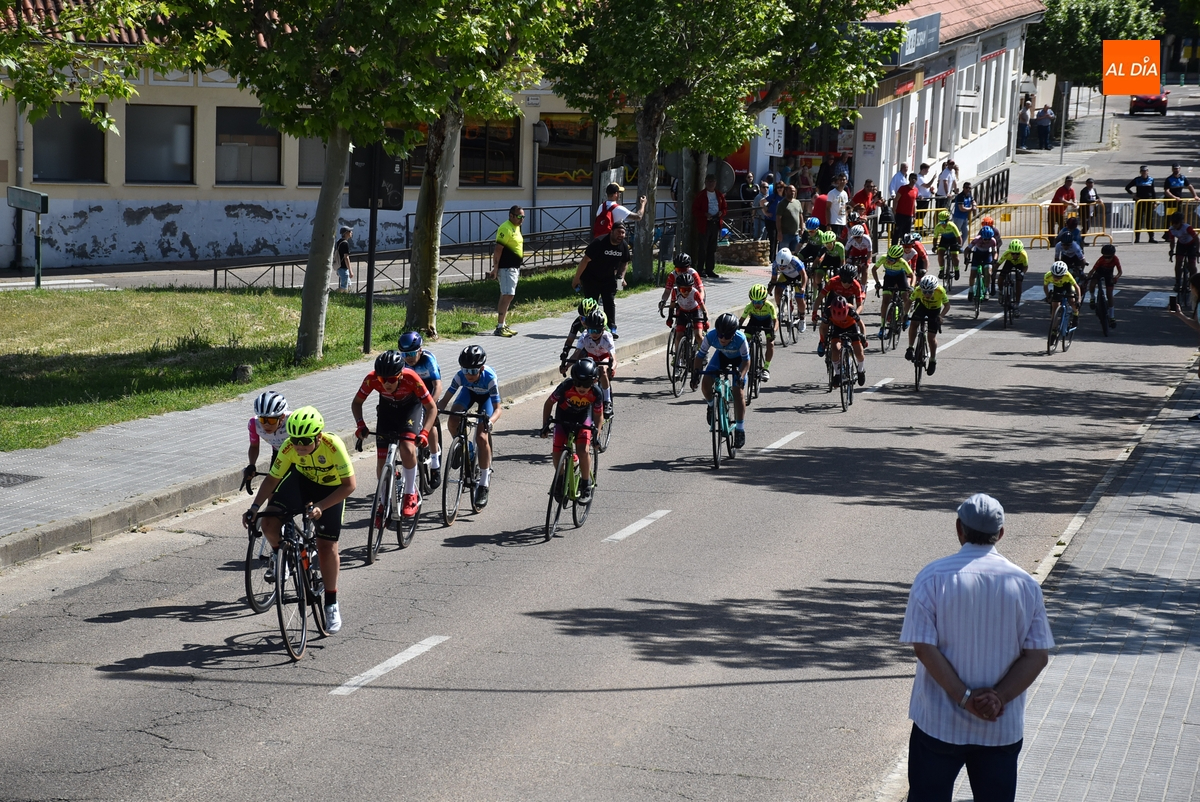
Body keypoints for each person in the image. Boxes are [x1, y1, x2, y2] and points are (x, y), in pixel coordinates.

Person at [900, 493, 1053, 802]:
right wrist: (998, 698)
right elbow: (1037, 656)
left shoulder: (932, 578)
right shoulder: (1025, 584)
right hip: (999, 728)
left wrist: (965, 698)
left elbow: (924, 648)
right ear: (1001, 533)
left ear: (959, 528)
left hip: (939, 725)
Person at [243, 406, 356, 634]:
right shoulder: (289, 447)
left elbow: (349, 485)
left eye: (304, 441)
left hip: (331, 488)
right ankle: (282, 555)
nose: (299, 446)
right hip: (301, 482)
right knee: (268, 522)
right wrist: (254, 507)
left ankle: (331, 603)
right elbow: (272, 480)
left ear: (318, 436)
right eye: (295, 440)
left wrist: (322, 506)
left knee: (326, 547)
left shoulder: (333, 446)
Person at [352, 350, 437, 519]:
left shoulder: (411, 378)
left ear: (400, 375)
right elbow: (356, 403)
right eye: (382, 380)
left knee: (407, 448)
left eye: (391, 379)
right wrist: (360, 424)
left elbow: (432, 408)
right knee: (381, 461)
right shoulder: (371, 379)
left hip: (410, 410)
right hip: (387, 411)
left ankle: (410, 494)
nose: (386, 384)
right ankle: (383, 502)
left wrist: (425, 432)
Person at [440, 345, 503, 509]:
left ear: (481, 368)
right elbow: (445, 400)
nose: (469, 375)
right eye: (465, 370)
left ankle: (483, 483)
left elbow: (498, 409)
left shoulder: (490, 378)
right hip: (468, 393)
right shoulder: (460, 376)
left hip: (486, 399)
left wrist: (490, 422)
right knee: (453, 419)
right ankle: (466, 448)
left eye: (473, 371)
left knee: (481, 437)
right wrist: (435, 411)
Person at [540, 357, 605, 504]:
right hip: (563, 416)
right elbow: (549, 403)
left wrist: (597, 434)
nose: (581, 387)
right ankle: (560, 478)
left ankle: (586, 484)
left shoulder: (596, 392)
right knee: (556, 451)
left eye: (586, 384)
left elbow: (598, 415)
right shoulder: (566, 386)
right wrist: (545, 425)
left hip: (583, 418)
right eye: (577, 383)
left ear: (594, 381)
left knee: (583, 450)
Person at [691, 312, 750, 449]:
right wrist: (695, 375)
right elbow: (700, 357)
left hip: (739, 361)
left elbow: (747, 362)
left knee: (738, 392)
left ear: (733, 334)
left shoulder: (741, 339)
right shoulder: (711, 336)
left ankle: (740, 429)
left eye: (727, 336)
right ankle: (711, 405)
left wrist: (741, 377)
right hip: (721, 357)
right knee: (706, 383)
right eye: (720, 335)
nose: (723, 339)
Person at [398, 331, 443, 488]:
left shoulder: (428, 360)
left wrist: (431, 405)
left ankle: (435, 464)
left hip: (429, 391)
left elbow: (438, 386)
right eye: (405, 354)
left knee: (429, 421)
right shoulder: (401, 363)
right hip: (413, 393)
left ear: (420, 350)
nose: (409, 358)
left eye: (412, 353)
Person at [573, 220, 632, 338]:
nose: (621, 235)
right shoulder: (599, 242)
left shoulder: (623, 246)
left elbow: (624, 262)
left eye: (623, 233)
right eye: (618, 232)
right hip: (591, 278)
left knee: (609, 302)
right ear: (611, 231)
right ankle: (588, 327)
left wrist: (621, 276)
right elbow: (585, 260)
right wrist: (577, 278)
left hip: (608, 279)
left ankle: (611, 328)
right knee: (591, 304)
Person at [563, 309, 617, 416]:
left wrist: (612, 368)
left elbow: (614, 359)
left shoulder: (607, 337)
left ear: (603, 329)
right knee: (581, 370)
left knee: (602, 370)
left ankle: (607, 401)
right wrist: (567, 366)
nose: (594, 334)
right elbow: (576, 354)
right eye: (591, 330)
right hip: (591, 357)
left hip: (604, 357)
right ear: (587, 329)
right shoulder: (584, 336)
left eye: (597, 331)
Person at [814, 265, 866, 357]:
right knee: (825, 322)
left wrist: (855, 314)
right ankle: (822, 341)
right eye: (844, 280)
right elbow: (820, 297)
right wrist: (814, 313)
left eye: (849, 281)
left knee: (849, 322)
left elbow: (860, 305)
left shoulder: (856, 285)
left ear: (853, 279)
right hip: (832, 301)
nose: (846, 284)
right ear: (840, 278)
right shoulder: (833, 281)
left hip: (847, 303)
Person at [490, 205, 524, 337]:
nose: (521, 219)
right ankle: (499, 327)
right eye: (519, 216)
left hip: (514, 267)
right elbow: (498, 249)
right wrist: (495, 268)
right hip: (506, 267)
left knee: (507, 295)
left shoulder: (516, 227)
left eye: (523, 217)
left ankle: (503, 324)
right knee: (507, 295)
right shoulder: (506, 228)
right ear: (511, 215)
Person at [244, 390, 290, 488]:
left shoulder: (292, 421)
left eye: (271, 420)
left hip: (299, 454)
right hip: (279, 453)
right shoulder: (254, 424)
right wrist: (251, 465)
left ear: (282, 417)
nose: (266, 424)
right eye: (262, 419)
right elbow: (254, 446)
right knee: (272, 488)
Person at [906, 275, 950, 375]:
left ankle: (933, 360)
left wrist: (941, 316)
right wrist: (905, 314)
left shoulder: (940, 291)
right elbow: (909, 302)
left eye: (930, 292)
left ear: (934, 289)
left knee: (931, 338)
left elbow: (947, 306)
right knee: (913, 323)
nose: (927, 294)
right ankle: (910, 347)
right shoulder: (918, 290)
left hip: (935, 311)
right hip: (923, 307)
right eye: (924, 292)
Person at [873, 243, 914, 337]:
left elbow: (912, 275)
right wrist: (877, 282)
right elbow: (873, 269)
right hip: (889, 278)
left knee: (905, 298)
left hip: (900, 278)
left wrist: (911, 286)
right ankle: (882, 326)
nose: (888, 260)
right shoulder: (883, 258)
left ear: (898, 259)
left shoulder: (902, 262)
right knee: (885, 302)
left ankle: (906, 315)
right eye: (888, 257)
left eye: (892, 259)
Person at [825, 294, 867, 387]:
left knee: (859, 352)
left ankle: (860, 370)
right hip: (837, 328)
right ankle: (838, 374)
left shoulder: (851, 310)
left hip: (851, 327)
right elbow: (823, 327)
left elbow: (861, 324)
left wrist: (863, 338)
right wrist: (823, 340)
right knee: (835, 350)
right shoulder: (828, 311)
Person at [692, 174, 727, 278]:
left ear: (715, 183)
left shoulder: (719, 195)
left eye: (712, 181)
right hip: (705, 224)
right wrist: (704, 214)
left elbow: (725, 208)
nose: (710, 183)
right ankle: (700, 269)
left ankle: (710, 270)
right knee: (703, 248)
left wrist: (721, 213)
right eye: (708, 181)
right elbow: (694, 210)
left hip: (715, 223)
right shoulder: (701, 195)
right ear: (705, 182)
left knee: (712, 248)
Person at [740, 284, 778, 381]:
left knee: (771, 343)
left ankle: (766, 369)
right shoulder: (749, 306)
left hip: (767, 322)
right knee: (744, 341)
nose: (757, 304)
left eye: (760, 302)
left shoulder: (770, 306)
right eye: (754, 301)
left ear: (764, 300)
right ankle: (744, 361)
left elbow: (775, 321)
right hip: (754, 321)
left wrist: (774, 331)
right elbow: (741, 321)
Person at [665, 270, 709, 353]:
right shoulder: (675, 291)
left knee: (698, 336)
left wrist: (705, 319)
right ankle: (677, 356)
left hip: (695, 311)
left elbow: (702, 307)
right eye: (683, 289)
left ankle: (704, 353)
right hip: (683, 311)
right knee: (678, 336)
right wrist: (670, 317)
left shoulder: (695, 292)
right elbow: (672, 305)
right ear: (678, 288)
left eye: (689, 289)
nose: (686, 292)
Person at [770, 247, 808, 334]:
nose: (782, 267)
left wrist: (803, 287)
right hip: (786, 276)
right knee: (777, 290)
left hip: (799, 277)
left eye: (784, 266)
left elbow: (804, 275)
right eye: (780, 266)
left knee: (799, 299)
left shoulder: (795, 261)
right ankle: (781, 310)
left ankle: (802, 319)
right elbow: (774, 279)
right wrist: (770, 289)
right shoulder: (775, 263)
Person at [1087, 243, 1122, 328]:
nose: (1106, 259)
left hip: (1108, 274)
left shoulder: (1116, 259)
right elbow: (1092, 270)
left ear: (1113, 255)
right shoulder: (1101, 260)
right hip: (1099, 272)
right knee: (1092, 284)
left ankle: (1112, 317)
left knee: (1109, 295)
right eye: (1105, 257)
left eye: (1109, 257)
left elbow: (1120, 272)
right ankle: (1092, 298)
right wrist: (1087, 278)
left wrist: (1116, 278)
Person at [994, 240, 1030, 315]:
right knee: (1000, 279)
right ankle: (1001, 291)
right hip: (1009, 262)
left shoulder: (1024, 255)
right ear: (1010, 252)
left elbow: (1025, 267)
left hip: (1020, 264)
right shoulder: (1007, 253)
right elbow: (998, 264)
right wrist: (994, 271)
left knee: (1019, 282)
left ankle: (1017, 304)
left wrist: (1022, 273)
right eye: (1013, 253)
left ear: (1020, 252)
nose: (1015, 255)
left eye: (1017, 254)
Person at [1125, 165, 1158, 243]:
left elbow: (1153, 192)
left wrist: (1155, 202)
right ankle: (1137, 238)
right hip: (1140, 201)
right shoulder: (1137, 180)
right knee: (1139, 220)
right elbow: (1127, 187)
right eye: (1143, 171)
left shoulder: (1151, 179)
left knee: (1149, 220)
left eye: (1145, 171)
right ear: (1140, 172)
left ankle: (1151, 238)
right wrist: (1133, 195)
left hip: (1148, 202)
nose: (1144, 172)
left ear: (1147, 171)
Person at [1044, 260, 1081, 329]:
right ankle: (1054, 329)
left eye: (1059, 277)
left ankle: (1076, 314)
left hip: (1067, 285)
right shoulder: (1047, 276)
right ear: (1052, 273)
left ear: (1064, 274)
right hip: (1057, 287)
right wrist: (1048, 296)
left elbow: (1077, 287)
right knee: (1054, 306)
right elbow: (1045, 287)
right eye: (1054, 276)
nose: (1056, 278)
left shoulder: (1068, 275)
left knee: (1072, 301)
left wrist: (1078, 300)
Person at [931, 211, 962, 281]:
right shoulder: (938, 226)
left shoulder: (952, 225)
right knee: (940, 254)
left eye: (944, 222)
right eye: (941, 222)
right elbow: (935, 238)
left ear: (948, 220)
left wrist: (959, 246)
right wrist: (934, 246)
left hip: (953, 239)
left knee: (955, 256)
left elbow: (958, 237)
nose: (943, 224)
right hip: (944, 239)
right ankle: (941, 270)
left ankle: (956, 270)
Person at [776, 183, 804, 254]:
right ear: (786, 192)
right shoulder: (782, 204)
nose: (792, 192)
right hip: (785, 235)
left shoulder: (797, 202)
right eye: (791, 191)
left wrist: (802, 228)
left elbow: (800, 216)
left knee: (795, 254)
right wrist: (779, 232)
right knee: (783, 254)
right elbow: (778, 219)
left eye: (794, 191)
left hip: (796, 234)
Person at [893, 173, 919, 244]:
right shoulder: (903, 188)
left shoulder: (916, 190)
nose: (913, 180)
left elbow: (914, 203)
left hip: (909, 215)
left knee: (906, 234)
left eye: (915, 179)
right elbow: (896, 200)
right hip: (900, 214)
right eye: (912, 178)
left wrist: (914, 215)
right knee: (897, 233)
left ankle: (904, 248)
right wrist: (894, 210)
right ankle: (894, 247)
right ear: (909, 179)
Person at [827, 174, 850, 238]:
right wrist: (828, 224)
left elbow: (845, 207)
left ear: (846, 181)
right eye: (840, 180)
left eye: (843, 180)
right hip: (834, 222)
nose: (842, 181)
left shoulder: (845, 194)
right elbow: (827, 208)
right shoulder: (832, 193)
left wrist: (846, 220)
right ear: (837, 181)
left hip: (843, 222)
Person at [335, 226, 354, 291]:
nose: (351, 232)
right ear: (346, 233)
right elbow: (346, 258)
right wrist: (351, 271)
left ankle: (347, 295)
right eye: (350, 231)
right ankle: (333, 294)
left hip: (339, 266)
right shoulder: (345, 243)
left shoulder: (339, 241)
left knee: (348, 285)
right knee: (344, 287)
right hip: (343, 268)